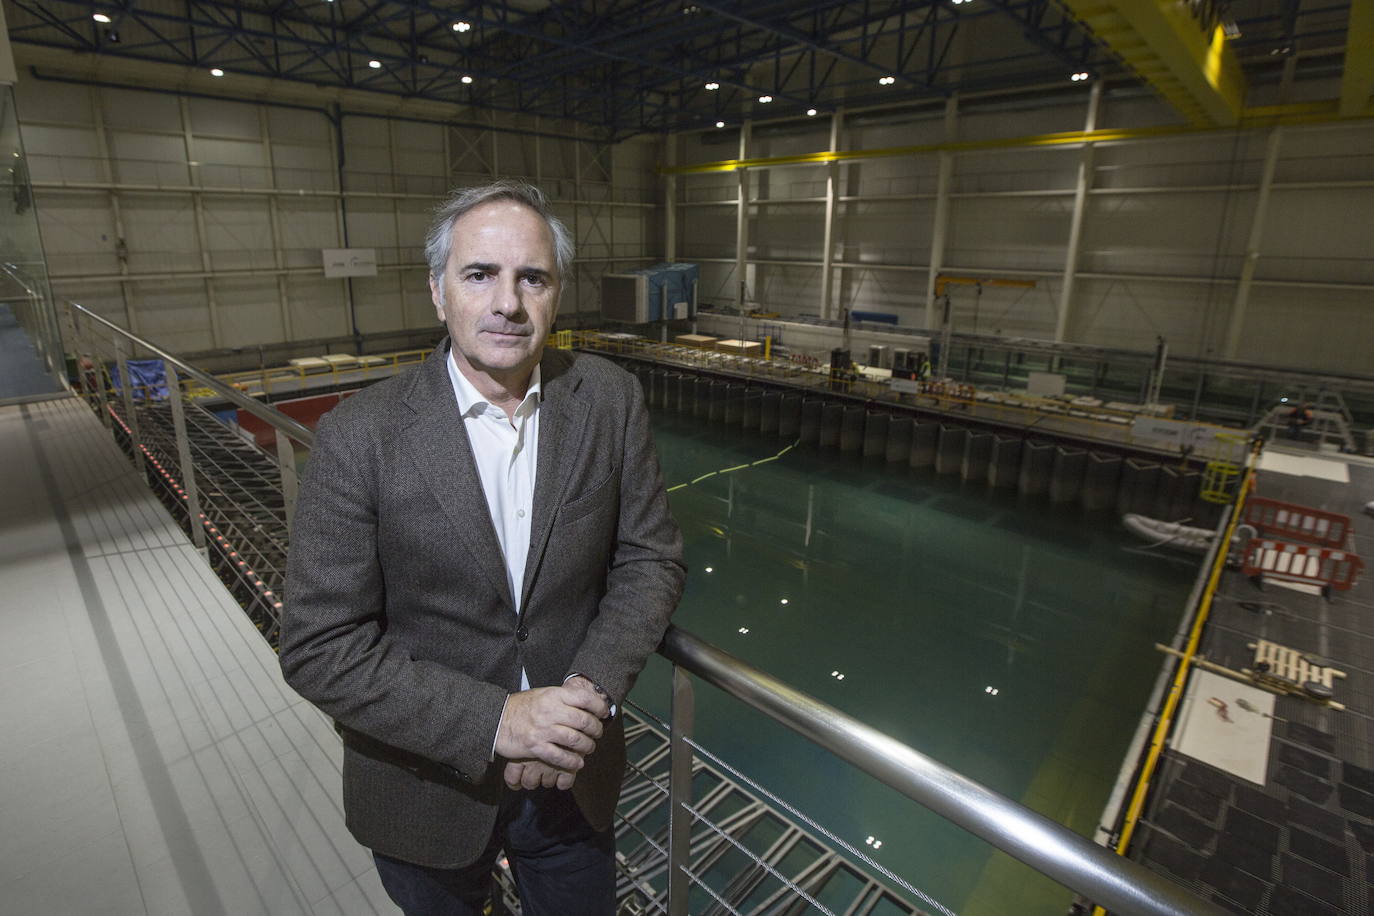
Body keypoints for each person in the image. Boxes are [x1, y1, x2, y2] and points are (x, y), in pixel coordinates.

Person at [280, 180, 686, 916]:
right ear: (438, 293)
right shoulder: (359, 436)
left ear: (558, 294)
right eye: (480, 275)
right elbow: (320, 646)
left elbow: (649, 558)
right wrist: (498, 721)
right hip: (424, 787)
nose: (508, 302)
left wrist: (588, 695)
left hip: (573, 773)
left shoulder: (608, 398)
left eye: (533, 277)